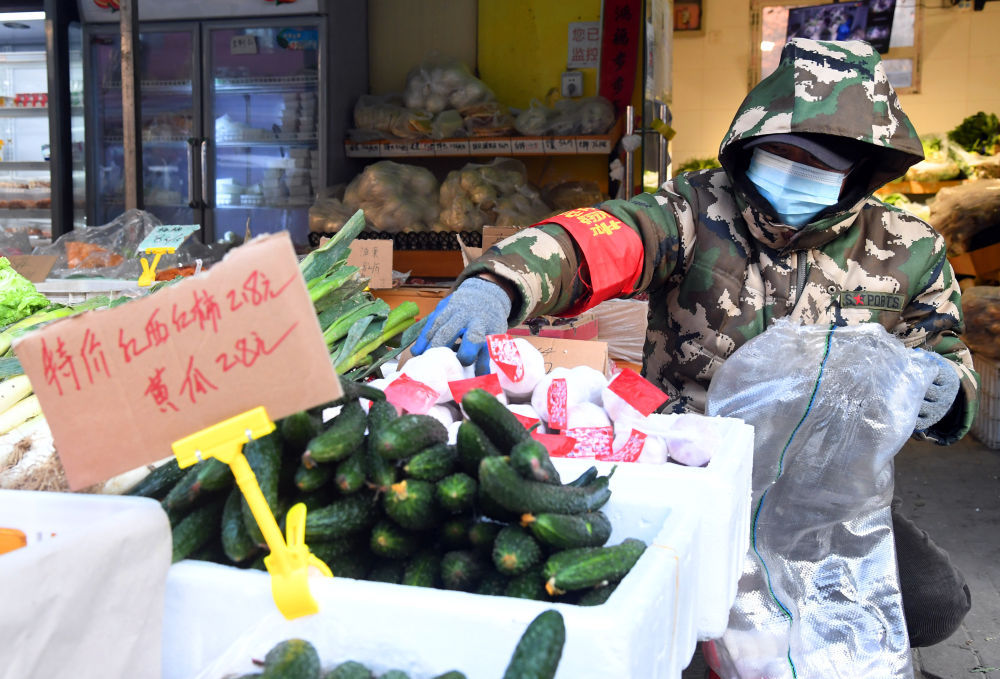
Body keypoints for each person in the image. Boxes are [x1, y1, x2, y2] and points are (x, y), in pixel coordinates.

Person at [412, 38, 977, 655]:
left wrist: (949, 390)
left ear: (861, 167)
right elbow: (602, 239)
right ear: (751, 143)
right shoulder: (693, 211)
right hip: (692, 465)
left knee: (934, 602)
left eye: (817, 161)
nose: (794, 171)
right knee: (667, 626)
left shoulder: (906, 247)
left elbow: (940, 347)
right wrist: (502, 282)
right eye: (781, 153)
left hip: (824, 494)